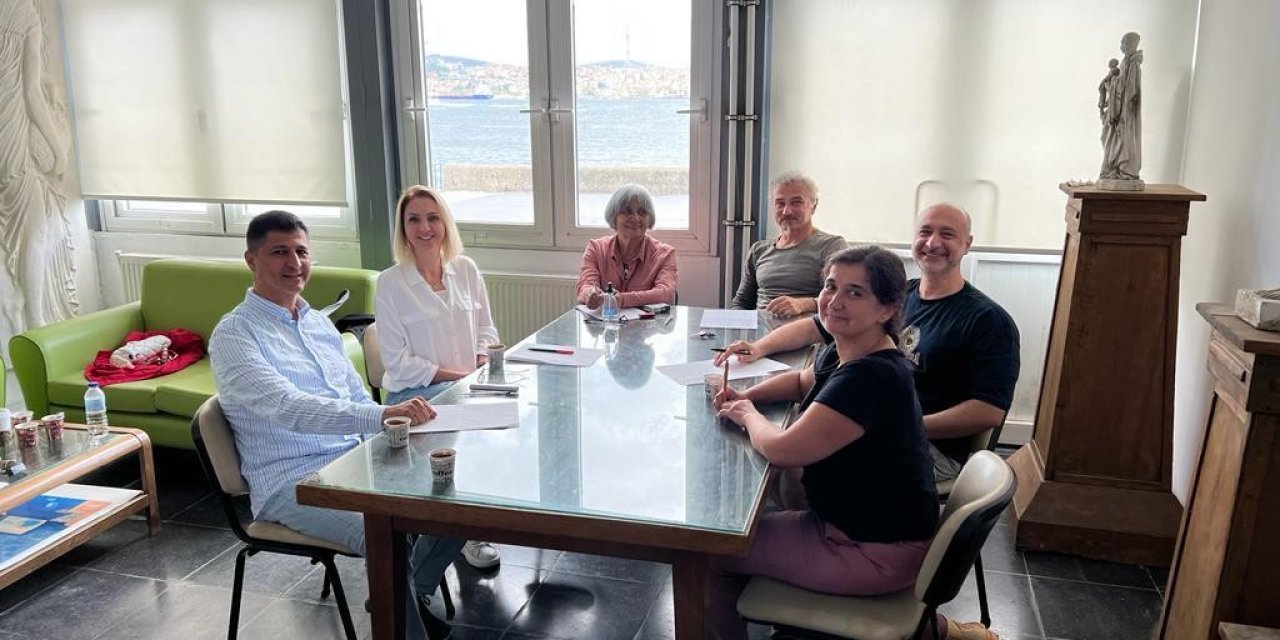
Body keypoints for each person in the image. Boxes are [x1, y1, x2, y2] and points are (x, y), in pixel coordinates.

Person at [710, 246, 995, 640]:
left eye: (855, 292)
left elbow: (782, 450)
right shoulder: (852, 349)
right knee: (753, 519)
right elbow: (801, 381)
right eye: (830, 286)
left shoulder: (869, 378)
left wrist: (745, 414)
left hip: (870, 551)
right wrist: (748, 396)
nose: (834, 301)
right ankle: (940, 633)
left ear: (887, 309)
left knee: (711, 552)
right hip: (879, 530)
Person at [210, 211, 464, 640]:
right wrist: (383, 416)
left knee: (456, 499)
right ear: (251, 260)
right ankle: (399, 611)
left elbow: (356, 398)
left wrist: (397, 439)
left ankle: (400, 598)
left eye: (302, 252)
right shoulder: (234, 335)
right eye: (280, 252)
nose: (295, 262)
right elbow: (289, 408)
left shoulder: (316, 323)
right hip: (291, 481)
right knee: (385, 533)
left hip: (355, 460)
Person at [716, 203, 1019, 483]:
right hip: (866, 418)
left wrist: (905, 424)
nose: (932, 242)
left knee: (793, 459)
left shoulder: (988, 320)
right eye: (925, 232)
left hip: (927, 447)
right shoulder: (897, 297)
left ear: (967, 243)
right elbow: (812, 336)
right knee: (780, 449)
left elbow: (988, 411)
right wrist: (759, 351)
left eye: (947, 234)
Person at [376, 185, 503, 571]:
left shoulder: (466, 269)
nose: (424, 227)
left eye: (432, 218)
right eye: (413, 219)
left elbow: (487, 329)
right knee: (476, 434)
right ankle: (459, 535)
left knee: (507, 425)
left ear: (445, 223)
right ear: (403, 229)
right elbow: (398, 364)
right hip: (414, 397)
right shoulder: (391, 283)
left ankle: (468, 525)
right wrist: (461, 377)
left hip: (464, 389)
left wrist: (480, 358)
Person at [0, 0, 78, 333]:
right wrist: (58, 150)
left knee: (37, 226)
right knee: (37, 227)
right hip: (10, 132)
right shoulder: (24, 13)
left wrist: (45, 79)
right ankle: (34, 317)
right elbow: (31, 94)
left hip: (8, 136)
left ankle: (21, 305)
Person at [730, 172, 847, 317]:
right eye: (780, 203)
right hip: (760, 328)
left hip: (805, 328)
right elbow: (742, 302)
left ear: (813, 206)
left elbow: (841, 297)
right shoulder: (759, 250)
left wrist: (803, 304)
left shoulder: (831, 246)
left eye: (796, 202)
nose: (787, 211)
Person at [576, 184, 678, 309]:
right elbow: (585, 286)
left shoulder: (665, 254)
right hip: (604, 320)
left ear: (649, 219)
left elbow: (666, 294)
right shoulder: (596, 249)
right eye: (627, 211)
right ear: (614, 217)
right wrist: (590, 294)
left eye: (642, 212)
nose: (635, 218)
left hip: (648, 322)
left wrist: (623, 299)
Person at [1102, 32, 1143, 181]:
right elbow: (1121, 83)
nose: (1121, 47)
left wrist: (1112, 83)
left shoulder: (1134, 65)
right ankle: (1115, 169)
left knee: (1124, 139)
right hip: (1119, 109)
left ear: (1131, 45)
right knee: (1107, 136)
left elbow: (1130, 90)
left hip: (1126, 111)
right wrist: (1113, 82)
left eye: (1124, 43)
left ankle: (1126, 171)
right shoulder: (1125, 62)